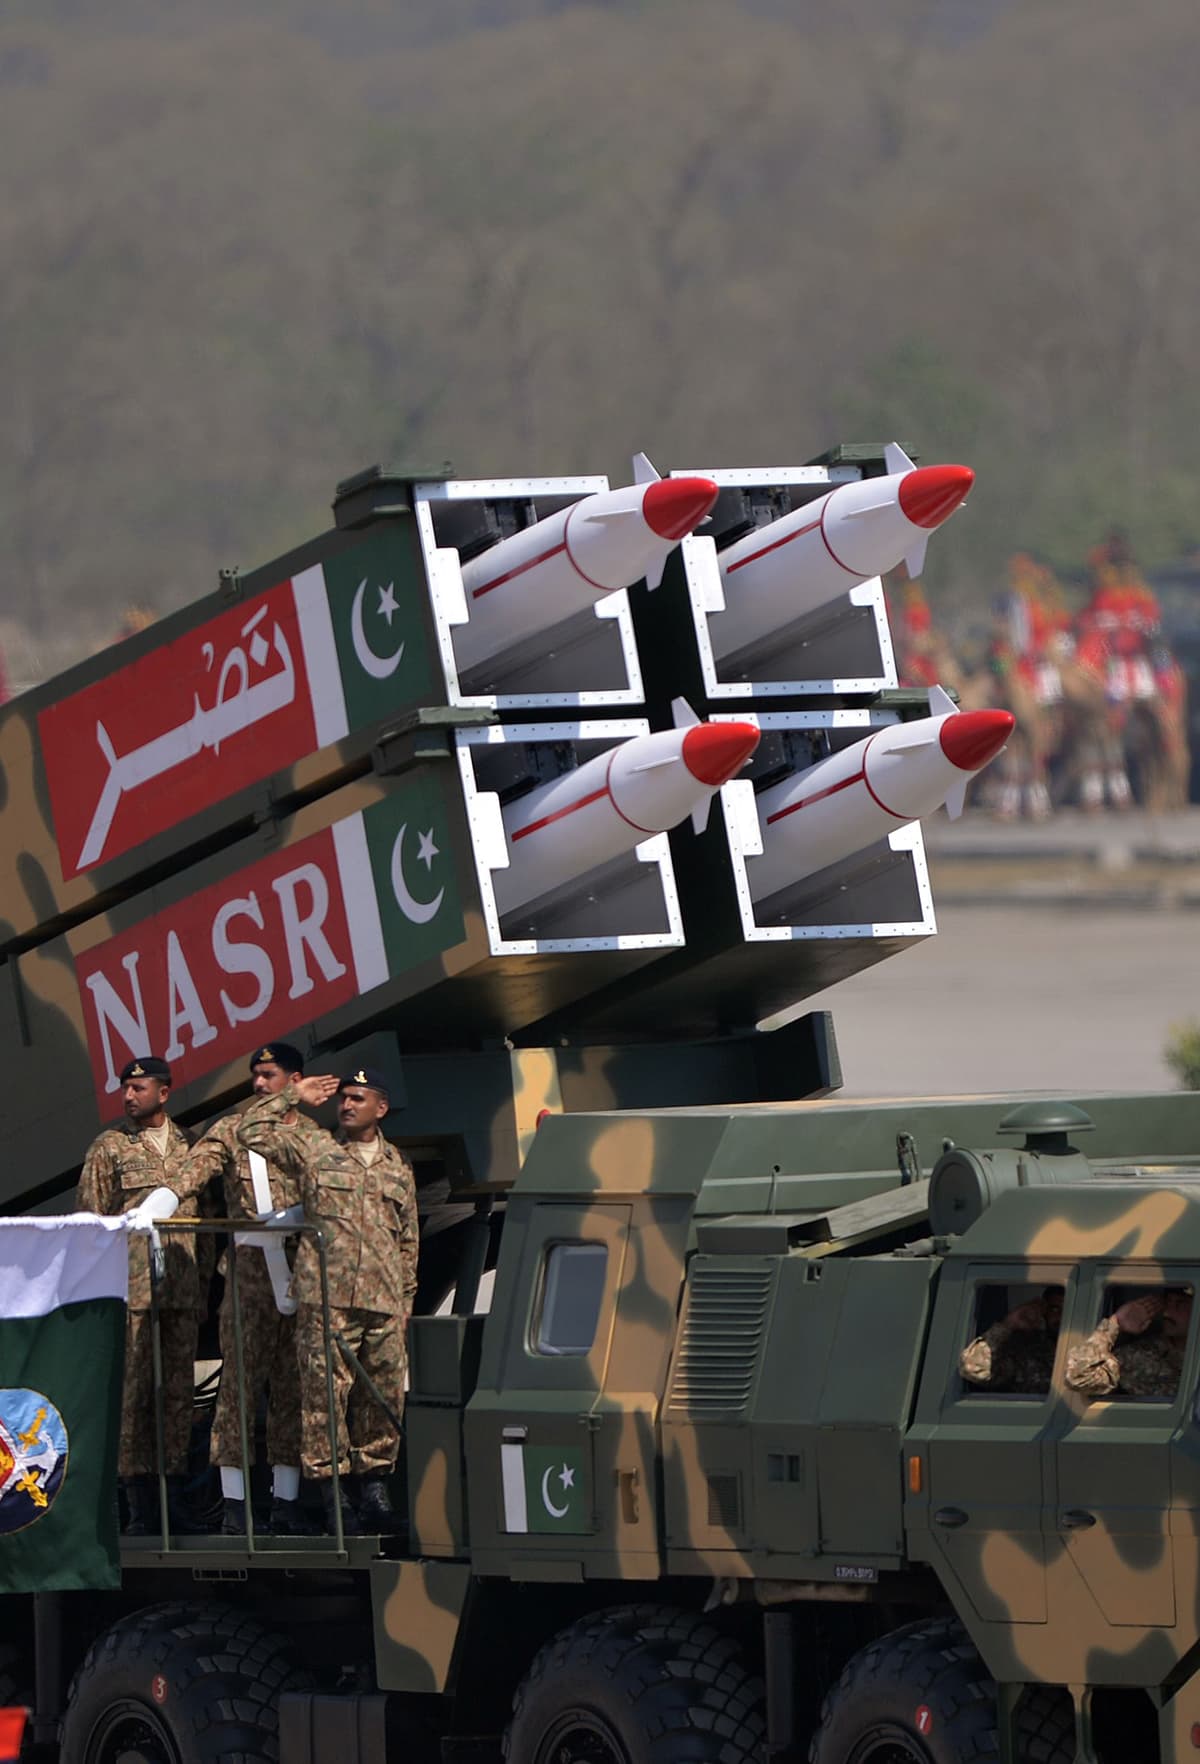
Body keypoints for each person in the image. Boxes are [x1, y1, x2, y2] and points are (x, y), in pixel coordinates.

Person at [237, 1066, 419, 1535]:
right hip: (327, 1299)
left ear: (381, 1108)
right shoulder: (315, 1147)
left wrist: (405, 1302)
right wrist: (291, 1097)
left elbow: (408, 1241)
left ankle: (375, 1491)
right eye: (345, 1098)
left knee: (380, 1399)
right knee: (325, 1400)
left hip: (382, 1300)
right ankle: (334, 1497)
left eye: (359, 1098)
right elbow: (251, 1130)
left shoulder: (398, 1164)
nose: (347, 1105)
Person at [172, 1042, 324, 1537]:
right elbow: (196, 1169)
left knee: (292, 1389)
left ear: (295, 1081)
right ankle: (237, 1506)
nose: (259, 1084)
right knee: (239, 1387)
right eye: (255, 1075)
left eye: (269, 1075)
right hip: (247, 1273)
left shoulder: (312, 1137)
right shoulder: (233, 1130)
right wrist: (164, 1197)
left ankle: (286, 1502)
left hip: (301, 1270)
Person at [76, 1057, 202, 1535]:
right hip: (131, 1291)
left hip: (182, 1290)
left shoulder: (190, 1146)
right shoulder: (109, 1148)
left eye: (138, 1087)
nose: (129, 1096)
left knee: (177, 1394)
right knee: (132, 1396)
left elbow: (204, 1222)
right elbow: (90, 1222)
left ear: (164, 1093)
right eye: (125, 1088)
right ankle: (137, 1502)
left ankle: (175, 1498)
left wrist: (203, 1281)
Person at [1066, 1289, 1192, 1398]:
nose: (1167, 1313)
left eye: (1180, 1304)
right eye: (1168, 1303)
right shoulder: (1139, 1355)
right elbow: (1079, 1378)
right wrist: (1115, 1324)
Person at [959, 1288, 1064, 1394]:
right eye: (1055, 1310)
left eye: (1069, 1310)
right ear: (1044, 1312)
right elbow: (973, 1369)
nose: (1062, 1316)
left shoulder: (1080, 1348)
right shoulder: (1025, 1350)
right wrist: (1008, 1324)